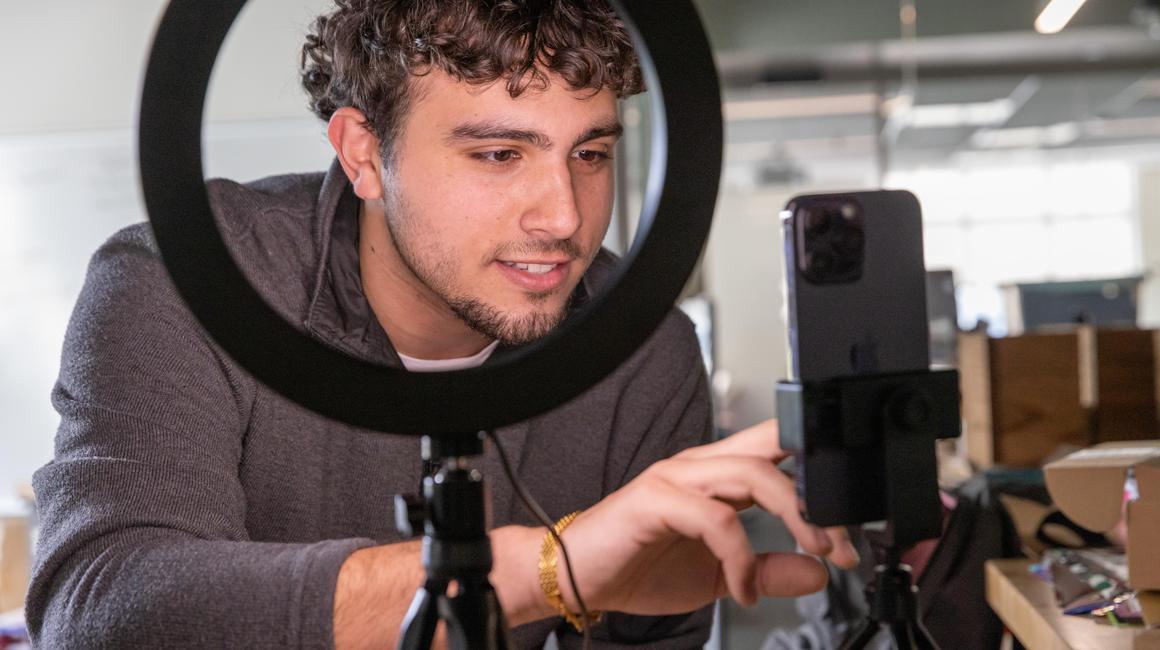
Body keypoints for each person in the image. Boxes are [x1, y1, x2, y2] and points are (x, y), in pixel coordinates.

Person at [26, 1, 858, 648]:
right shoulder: (186, 280)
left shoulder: (645, 353)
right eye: (499, 155)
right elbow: (106, 605)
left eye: (591, 153)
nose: (565, 218)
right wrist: (549, 570)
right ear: (361, 152)